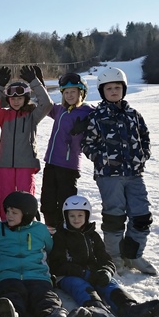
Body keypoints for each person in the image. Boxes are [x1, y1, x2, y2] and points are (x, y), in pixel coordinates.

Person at [0, 191, 92, 317]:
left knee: (45, 299)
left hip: (38, 276)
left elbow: (51, 252)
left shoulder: (40, 230)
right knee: (12, 297)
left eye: (14, 212)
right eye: (7, 211)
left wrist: (55, 272)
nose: (8, 215)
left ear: (27, 214)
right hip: (8, 276)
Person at [49, 195, 159, 317]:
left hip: (92, 272)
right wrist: (83, 273)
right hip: (69, 275)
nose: (76, 219)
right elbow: (57, 264)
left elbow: (105, 258)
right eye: (72, 216)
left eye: (80, 215)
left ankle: (128, 308)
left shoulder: (92, 235)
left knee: (110, 284)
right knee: (81, 285)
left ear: (87, 216)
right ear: (66, 216)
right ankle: (97, 311)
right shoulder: (60, 236)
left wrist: (107, 271)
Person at [82, 67, 157, 276]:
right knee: (114, 216)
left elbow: (145, 137)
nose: (113, 91)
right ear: (102, 91)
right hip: (109, 176)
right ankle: (114, 257)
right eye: (109, 88)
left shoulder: (134, 115)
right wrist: (102, 158)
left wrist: (143, 155)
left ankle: (133, 255)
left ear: (123, 89)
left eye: (117, 87)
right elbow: (87, 143)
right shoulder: (97, 116)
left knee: (142, 215)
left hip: (134, 174)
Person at [0, 65, 53, 222]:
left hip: (26, 164)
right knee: (6, 196)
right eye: (13, 98)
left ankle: (26, 225)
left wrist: (34, 82)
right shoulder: (4, 116)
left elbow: (47, 104)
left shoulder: (32, 116)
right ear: (8, 100)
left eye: (19, 98)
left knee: (25, 197)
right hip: (5, 163)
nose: (16, 101)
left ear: (26, 99)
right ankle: (6, 225)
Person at [40, 73, 94, 229]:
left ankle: (67, 234)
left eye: (73, 91)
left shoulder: (88, 112)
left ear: (81, 93)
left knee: (66, 200)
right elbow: (45, 103)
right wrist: (38, 85)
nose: (70, 95)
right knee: (47, 200)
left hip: (68, 166)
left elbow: (103, 116)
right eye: (66, 92)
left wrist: (87, 126)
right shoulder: (59, 110)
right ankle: (51, 232)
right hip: (51, 163)